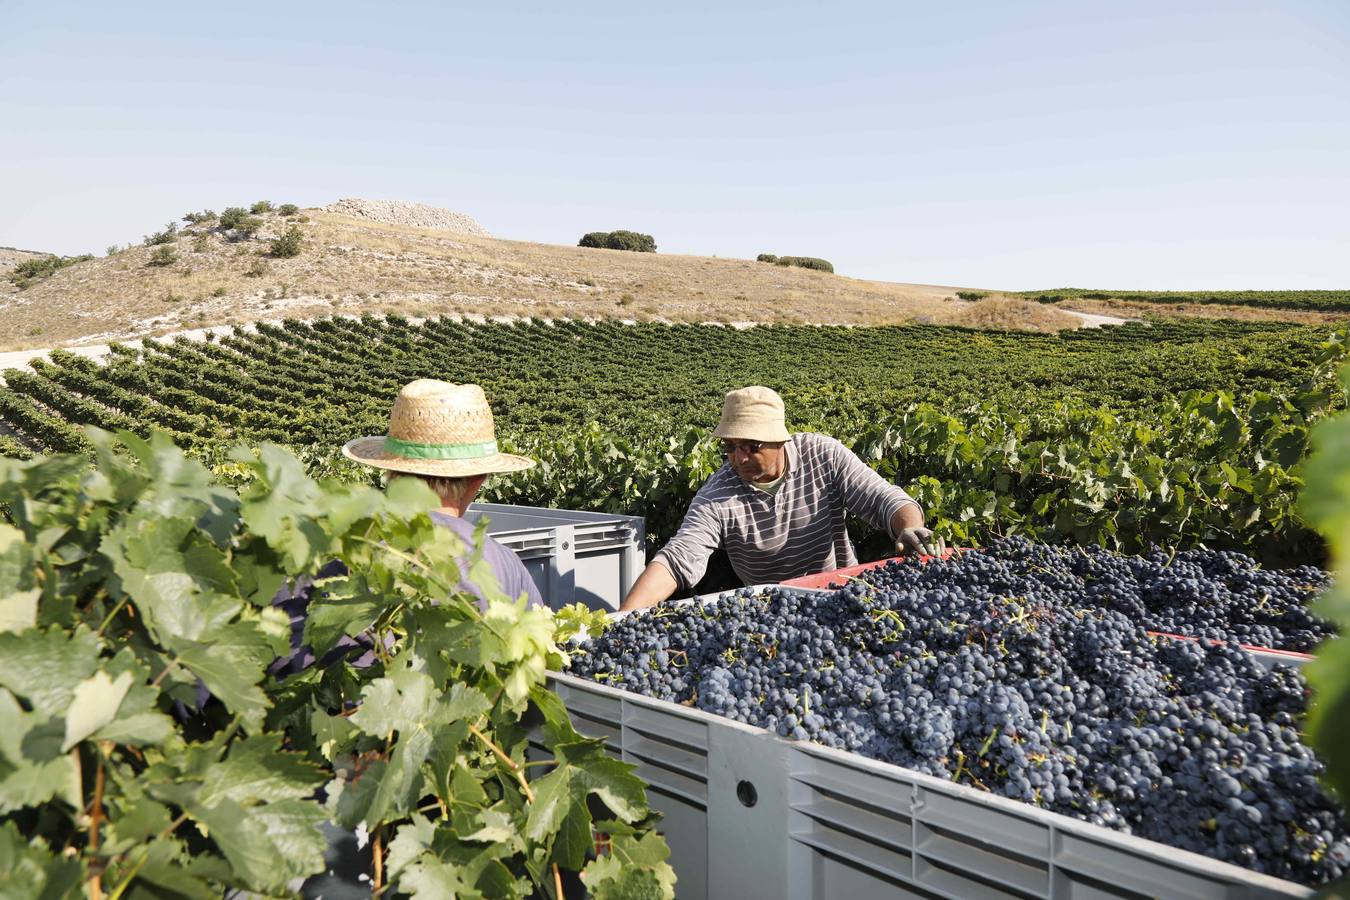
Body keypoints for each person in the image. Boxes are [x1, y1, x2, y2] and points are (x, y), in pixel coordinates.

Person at [270, 379, 543, 678]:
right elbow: (535, 664)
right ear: (479, 480)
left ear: (389, 471)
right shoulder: (505, 567)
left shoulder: (321, 544)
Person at [620, 385, 937, 611]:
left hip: (843, 598)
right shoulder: (718, 496)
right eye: (730, 447)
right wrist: (623, 618)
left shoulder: (822, 455)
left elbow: (884, 499)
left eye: (751, 446)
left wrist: (909, 526)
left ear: (778, 440)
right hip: (773, 614)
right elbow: (679, 558)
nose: (739, 458)